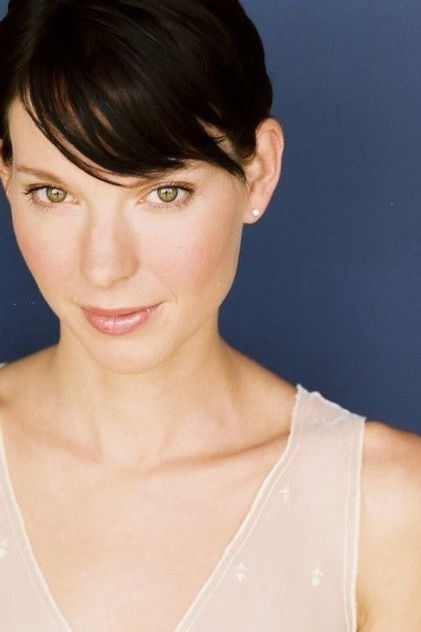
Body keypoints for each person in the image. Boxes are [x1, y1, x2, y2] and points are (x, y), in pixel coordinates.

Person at [0, 0, 419, 630]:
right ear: (6, 175)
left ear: (258, 171)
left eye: (163, 192)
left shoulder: (390, 508)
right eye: (53, 193)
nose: (104, 266)